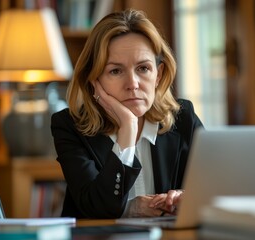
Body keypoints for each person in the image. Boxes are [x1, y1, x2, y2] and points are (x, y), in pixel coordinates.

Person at [51, 8, 203, 219]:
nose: (132, 84)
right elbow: (96, 207)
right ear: (93, 80)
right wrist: (127, 130)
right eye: (115, 71)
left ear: (158, 75)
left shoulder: (184, 118)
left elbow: (217, 188)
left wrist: (188, 197)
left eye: (143, 69)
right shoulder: (69, 126)